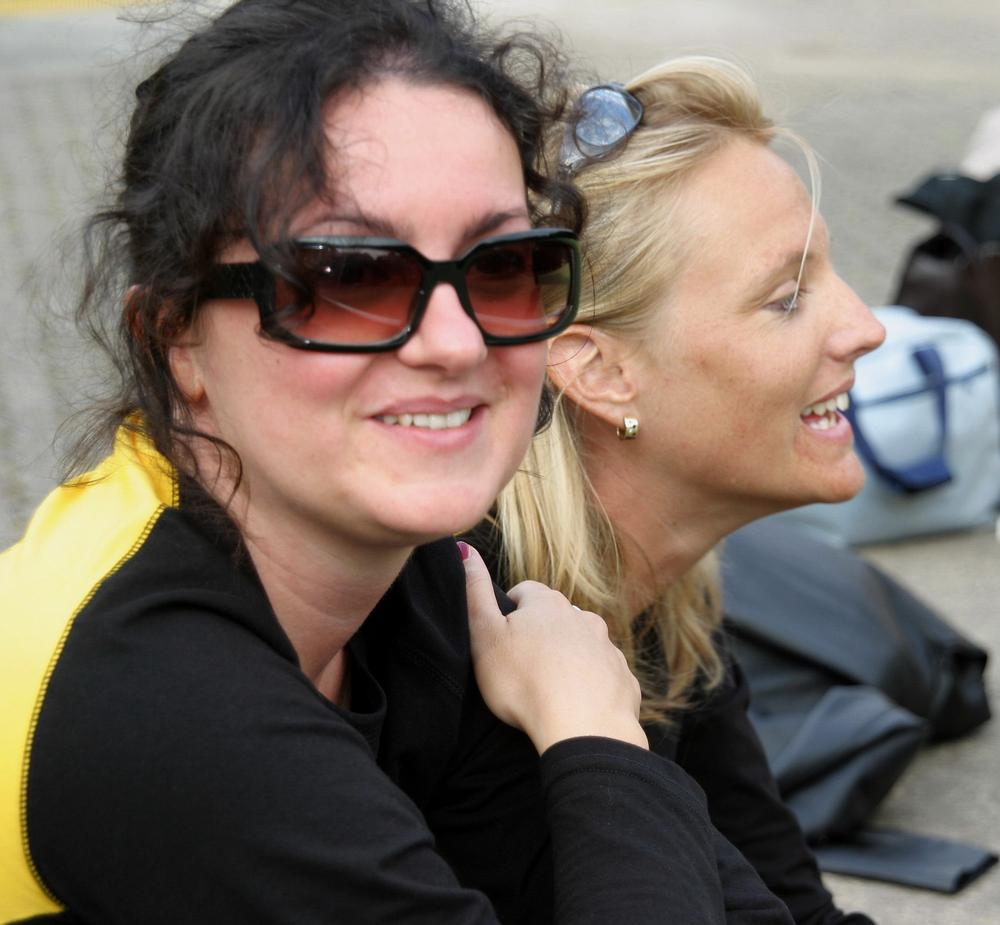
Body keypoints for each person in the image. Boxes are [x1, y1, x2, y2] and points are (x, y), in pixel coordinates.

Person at [0, 7, 794, 923]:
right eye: (348, 278)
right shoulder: (160, 701)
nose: (455, 342)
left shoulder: (416, 581)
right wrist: (597, 735)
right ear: (175, 336)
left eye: (503, 266)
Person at [475, 57, 887, 925]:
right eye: (786, 299)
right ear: (599, 370)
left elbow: (793, 908)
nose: (866, 326)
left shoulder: (662, 601)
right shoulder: (477, 644)